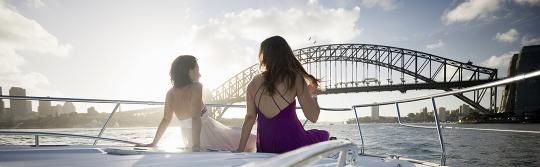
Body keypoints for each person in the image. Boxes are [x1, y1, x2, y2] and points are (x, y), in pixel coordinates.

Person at [137, 55, 256, 152]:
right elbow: (195, 118)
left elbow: (166, 119)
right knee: (252, 140)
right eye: (197, 69)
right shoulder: (196, 87)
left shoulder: (170, 93)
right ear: (189, 71)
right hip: (206, 135)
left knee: (238, 132)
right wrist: (196, 147)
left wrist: (154, 143)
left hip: (189, 138)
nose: (200, 74)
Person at [236, 36, 329, 153]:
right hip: (293, 145)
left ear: (263, 56)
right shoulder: (295, 78)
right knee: (323, 134)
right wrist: (313, 95)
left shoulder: (253, 83)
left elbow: (250, 118)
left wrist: (240, 149)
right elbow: (313, 117)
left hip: (266, 147)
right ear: (286, 54)